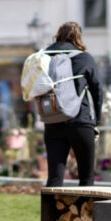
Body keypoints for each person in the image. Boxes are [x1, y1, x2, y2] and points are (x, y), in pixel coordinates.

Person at [42, 21, 103, 187]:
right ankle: (85, 205)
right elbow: (97, 91)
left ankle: (51, 206)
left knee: (54, 179)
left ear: (58, 35)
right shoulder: (84, 58)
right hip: (80, 121)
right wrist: (95, 122)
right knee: (86, 178)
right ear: (78, 38)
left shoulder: (45, 57)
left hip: (53, 121)